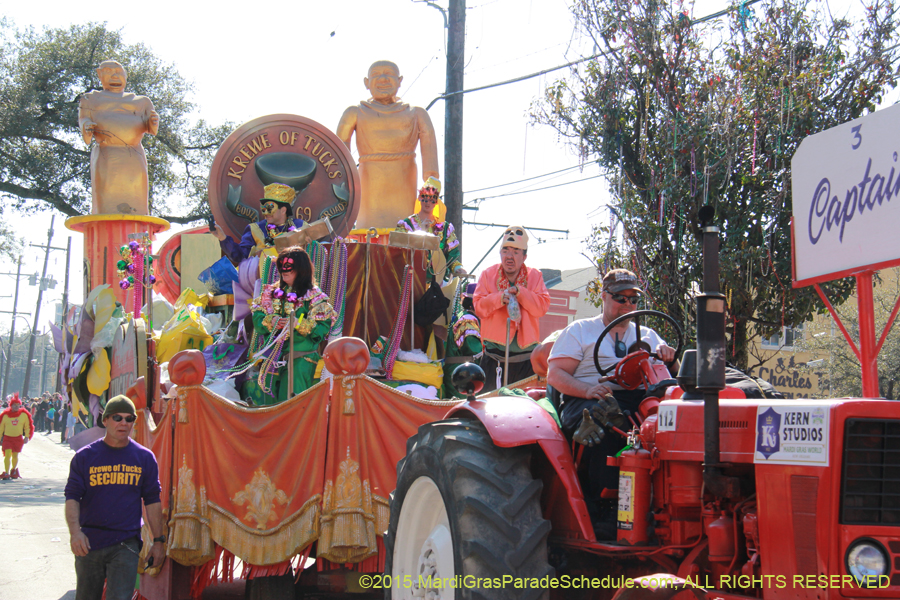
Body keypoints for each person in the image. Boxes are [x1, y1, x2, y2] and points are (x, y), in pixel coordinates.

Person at [547, 268, 678, 538]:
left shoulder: (649, 335)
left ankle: (667, 502)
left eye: (634, 300)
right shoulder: (580, 331)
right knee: (606, 418)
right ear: (604, 297)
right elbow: (556, 375)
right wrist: (588, 390)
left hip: (638, 398)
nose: (628, 305)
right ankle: (603, 508)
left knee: (671, 423)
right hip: (587, 397)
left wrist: (669, 357)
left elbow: (671, 373)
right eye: (621, 298)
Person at [64, 395, 165, 600]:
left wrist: (158, 541)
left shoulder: (144, 458)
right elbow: (72, 498)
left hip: (126, 543)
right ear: (105, 420)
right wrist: (75, 533)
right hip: (89, 543)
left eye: (129, 419)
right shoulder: (84, 457)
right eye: (117, 417)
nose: (123, 423)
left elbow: (153, 500)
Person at [337, 60, 439, 229]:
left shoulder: (416, 114)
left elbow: (430, 152)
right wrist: (344, 181)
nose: (383, 79)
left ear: (400, 81)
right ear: (366, 82)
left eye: (389, 74)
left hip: (404, 181)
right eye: (376, 74)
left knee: (403, 231)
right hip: (369, 182)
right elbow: (339, 150)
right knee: (369, 232)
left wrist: (431, 182)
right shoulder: (355, 113)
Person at [250, 247, 336, 405]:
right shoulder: (270, 293)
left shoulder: (314, 297)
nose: (285, 271)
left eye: (290, 267)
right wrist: (271, 321)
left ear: (301, 270)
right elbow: (257, 316)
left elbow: (322, 330)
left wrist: (298, 324)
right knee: (270, 406)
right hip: (272, 360)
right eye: (281, 266)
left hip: (299, 361)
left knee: (293, 405)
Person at [474, 226, 550, 391]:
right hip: (494, 359)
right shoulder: (488, 274)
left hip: (527, 361)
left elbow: (542, 307)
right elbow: (479, 307)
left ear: (524, 256)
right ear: (500, 253)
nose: (509, 256)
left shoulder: (535, 276)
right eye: (505, 250)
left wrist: (521, 293)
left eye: (516, 252)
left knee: (523, 410)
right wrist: (499, 298)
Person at [79, 60, 159, 216]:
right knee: (106, 196)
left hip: (133, 154)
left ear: (126, 75)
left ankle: (138, 229)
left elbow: (151, 127)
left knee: (137, 198)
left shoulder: (141, 101)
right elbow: (84, 119)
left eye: (119, 71)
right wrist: (87, 126)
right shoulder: (90, 99)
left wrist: (153, 122)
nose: (115, 76)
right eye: (109, 71)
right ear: (99, 74)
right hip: (107, 154)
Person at [212, 183, 305, 266]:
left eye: (269, 208)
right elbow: (240, 256)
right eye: (263, 208)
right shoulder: (254, 229)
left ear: (283, 210)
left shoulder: (301, 226)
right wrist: (223, 238)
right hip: (263, 282)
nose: (265, 212)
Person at [396, 178, 467, 284]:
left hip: (438, 285)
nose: (428, 202)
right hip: (412, 283)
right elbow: (398, 253)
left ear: (436, 201)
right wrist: (422, 234)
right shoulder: (406, 225)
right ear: (420, 198)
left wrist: (458, 268)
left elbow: (452, 257)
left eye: (432, 199)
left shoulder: (445, 229)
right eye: (425, 197)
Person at [0, 394, 34, 480]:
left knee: (15, 455)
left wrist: (27, 436)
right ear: (10, 405)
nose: (16, 407)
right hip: (7, 438)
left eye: (17, 405)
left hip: (18, 438)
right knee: (7, 455)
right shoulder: (5, 415)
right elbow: (1, 428)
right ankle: (6, 472)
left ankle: (13, 470)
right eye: (14, 405)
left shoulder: (24, 415)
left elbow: (27, 427)